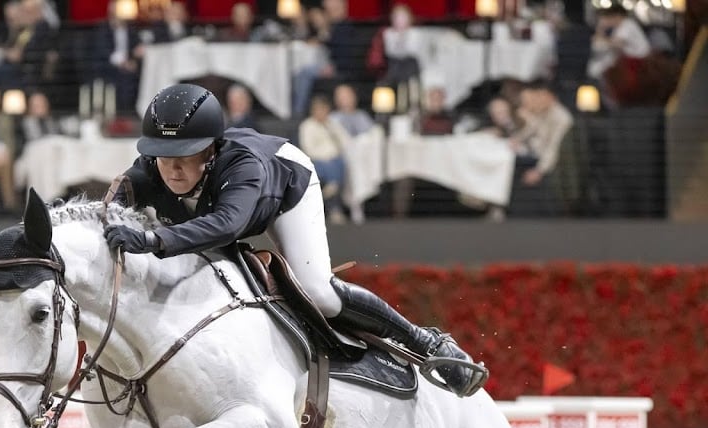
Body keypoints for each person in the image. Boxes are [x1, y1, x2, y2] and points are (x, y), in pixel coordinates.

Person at [104, 84, 485, 397]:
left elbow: (225, 224)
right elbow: (108, 211)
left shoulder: (243, 166)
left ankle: (426, 342)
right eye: (161, 155)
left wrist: (152, 240)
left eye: (184, 155)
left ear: (210, 148)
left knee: (318, 291)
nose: (171, 167)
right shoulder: (147, 172)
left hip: (287, 186)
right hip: (228, 212)